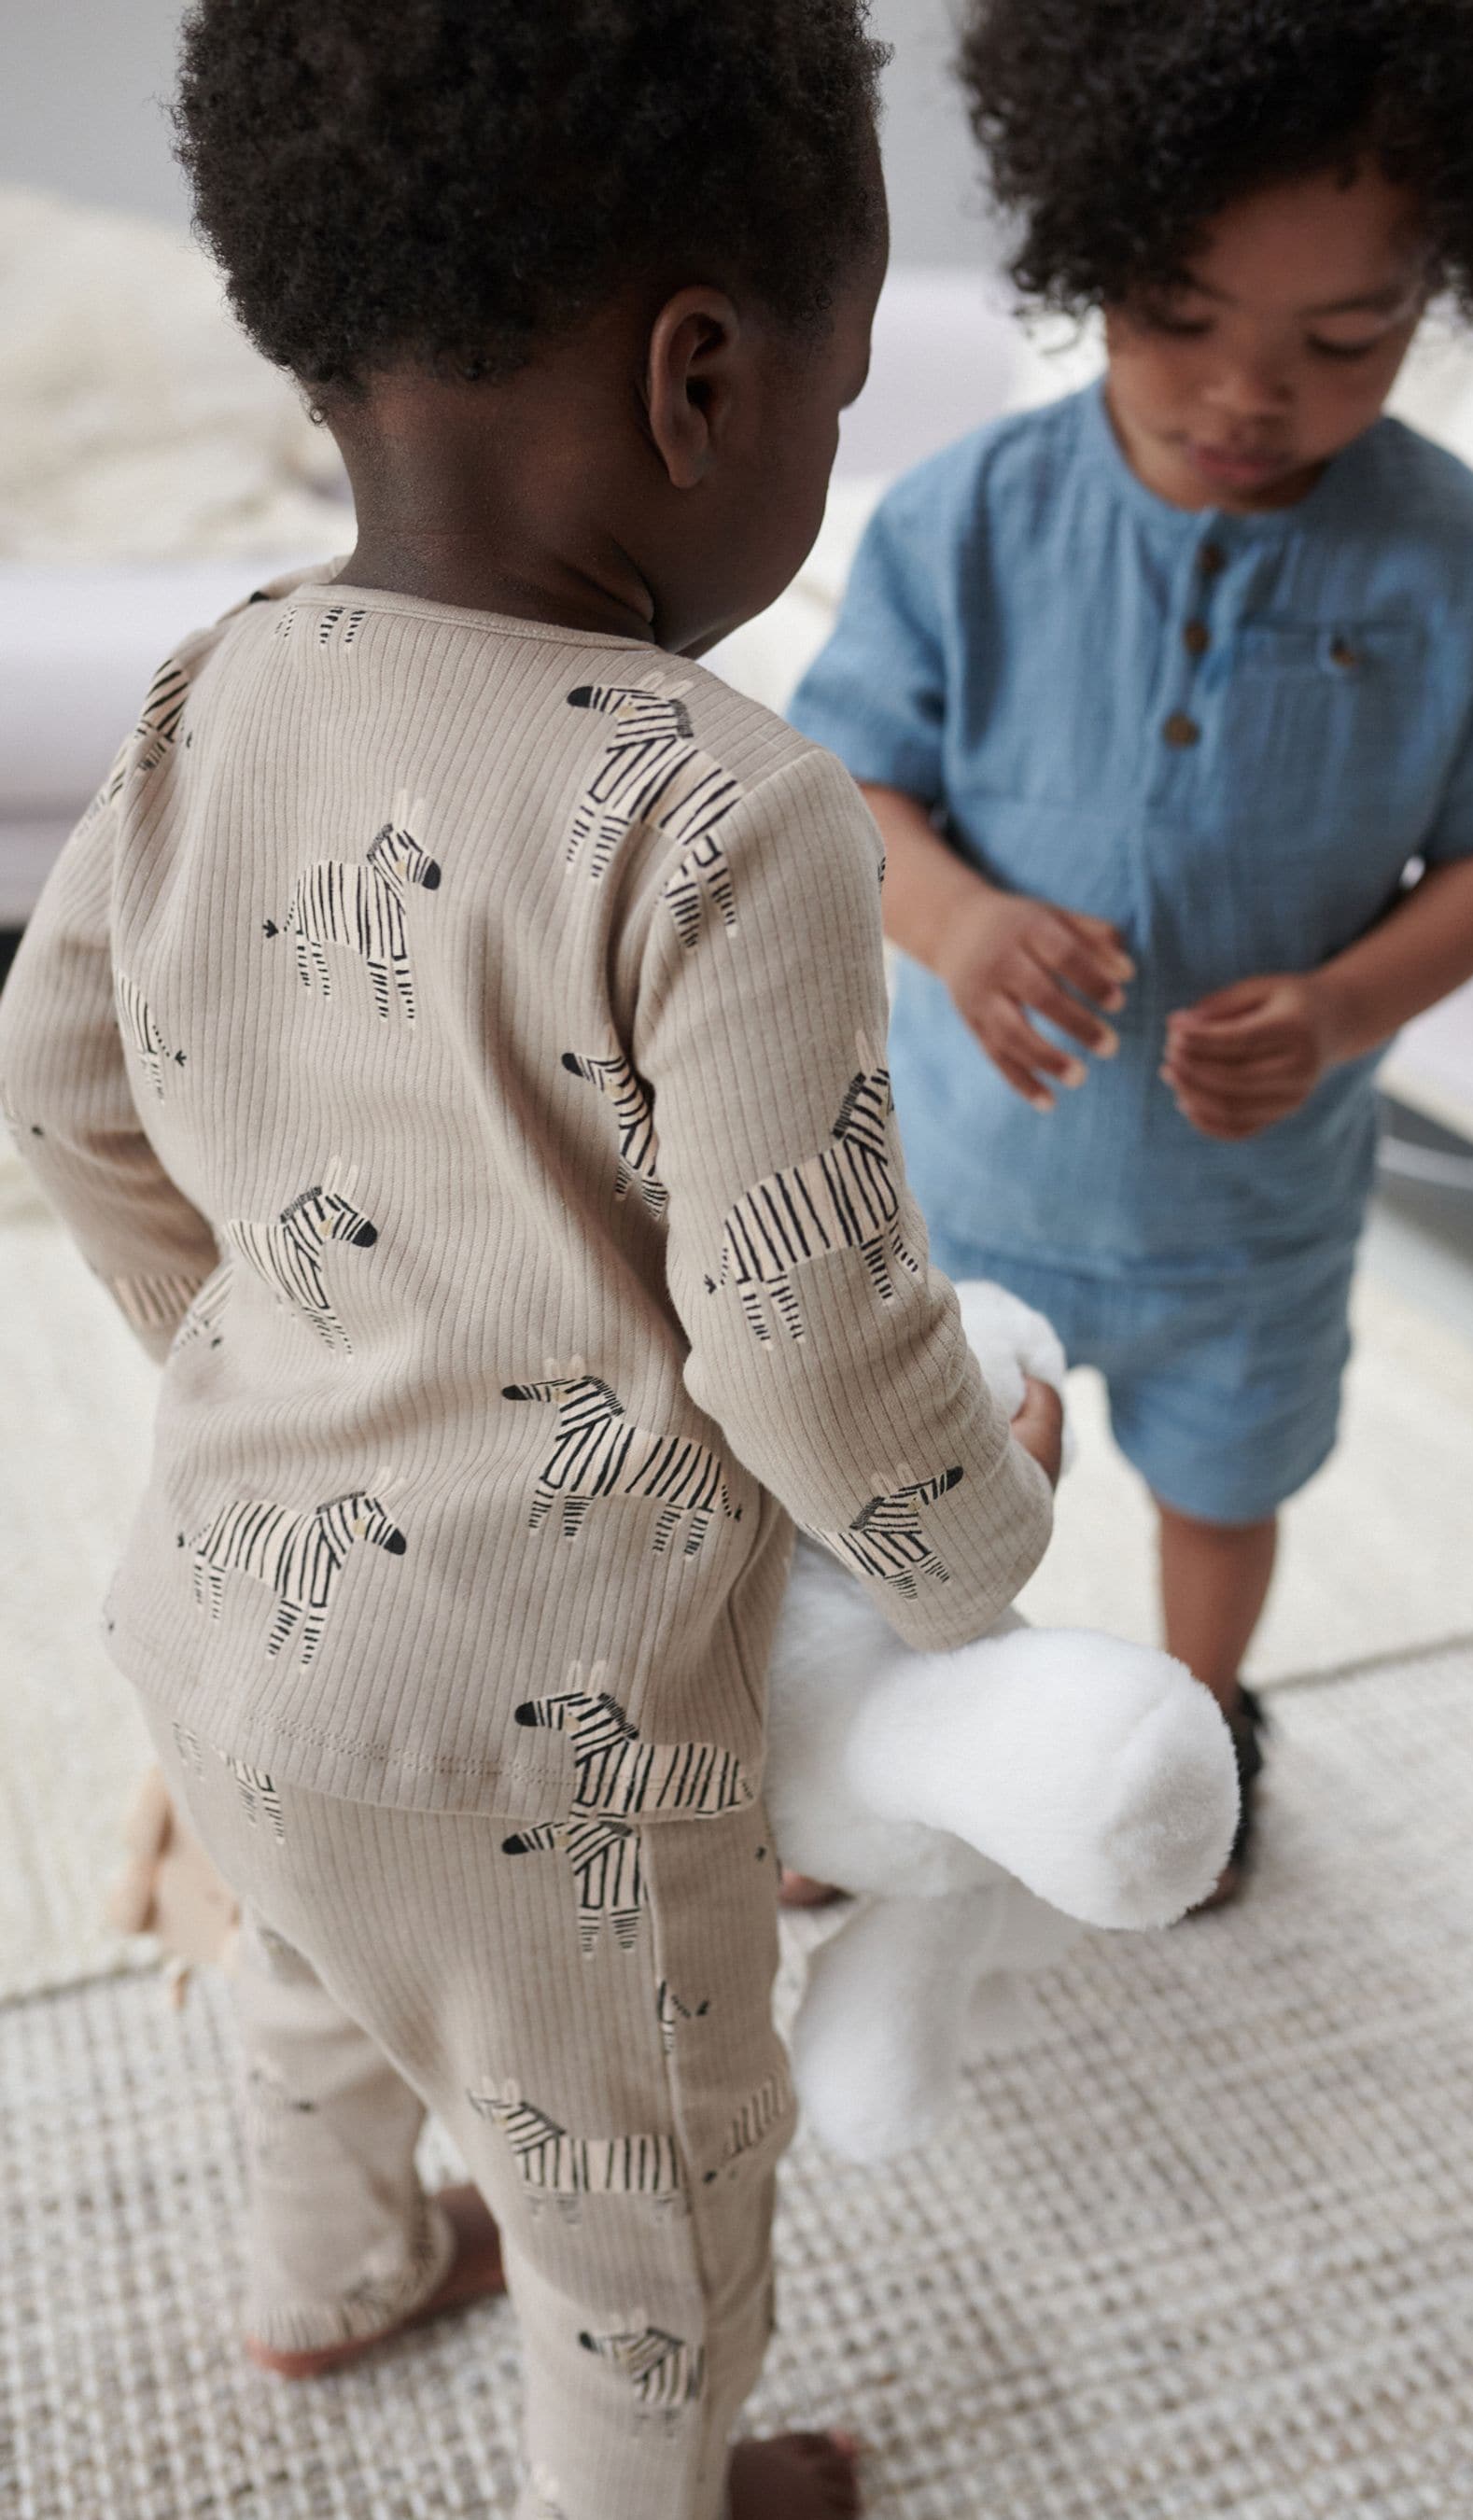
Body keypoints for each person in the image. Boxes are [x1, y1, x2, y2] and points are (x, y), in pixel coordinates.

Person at [0, 7, 1064, 2515]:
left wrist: (240, 1334)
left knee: (311, 1980)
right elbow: (807, 1318)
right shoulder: (726, 806)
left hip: (225, 1615)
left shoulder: (204, 686)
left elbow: (55, 1072)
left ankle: (330, 2271)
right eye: (844, 383)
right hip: (542, 1733)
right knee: (646, 2205)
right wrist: (977, 1555)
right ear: (707, 380)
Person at [789, 0, 1473, 1906]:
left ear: (1446, 291)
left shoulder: (1466, 568)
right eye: (1184, 314)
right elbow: (848, 782)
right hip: (975, 1174)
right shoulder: (971, 522)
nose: (1252, 393)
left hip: (1248, 1214)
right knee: (921, 1486)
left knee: (1225, 1490)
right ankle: (887, 1742)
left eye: (1348, 339)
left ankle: (1197, 1726)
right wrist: (954, 916)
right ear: (1094, 250)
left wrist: (1353, 1004)